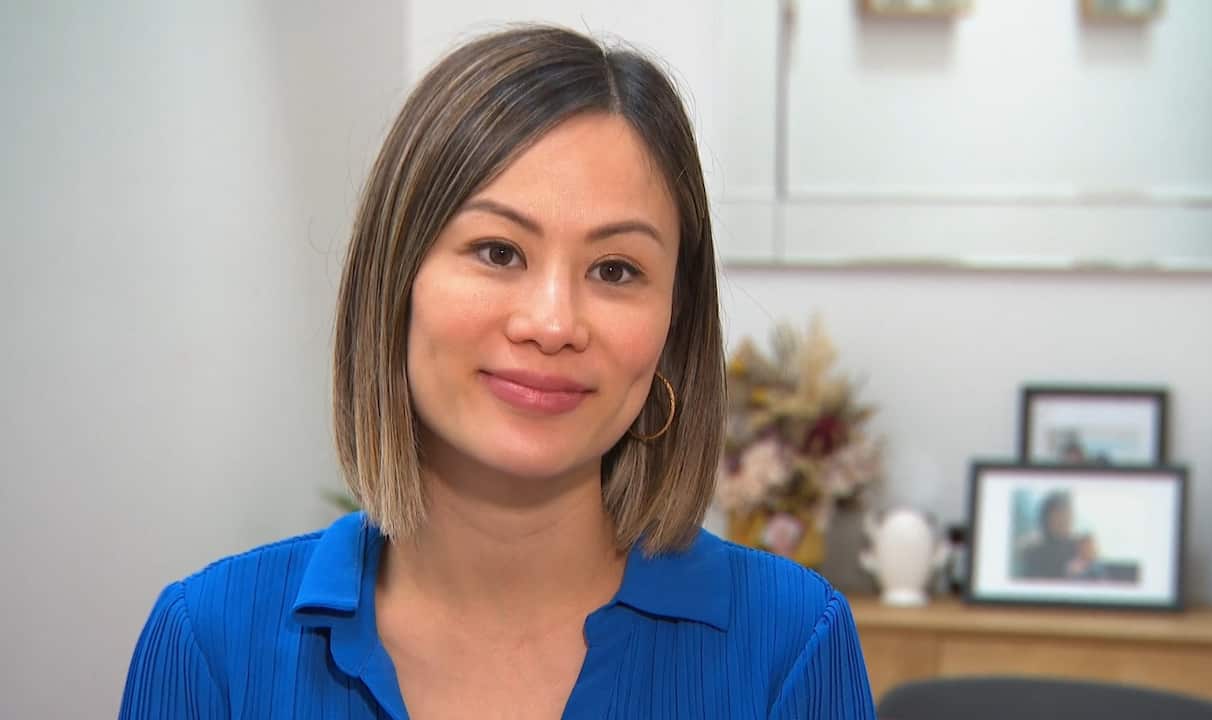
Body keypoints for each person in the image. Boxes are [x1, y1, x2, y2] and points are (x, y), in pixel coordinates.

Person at [119, 24, 875, 719]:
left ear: (673, 324)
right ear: (396, 283)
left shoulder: (790, 643)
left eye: (615, 269)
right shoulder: (209, 644)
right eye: (498, 252)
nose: (552, 323)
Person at [1017, 491, 1099, 580]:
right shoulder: (1033, 551)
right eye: (1059, 515)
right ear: (1046, 518)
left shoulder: (1079, 546)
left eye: (1068, 515)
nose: (1064, 521)